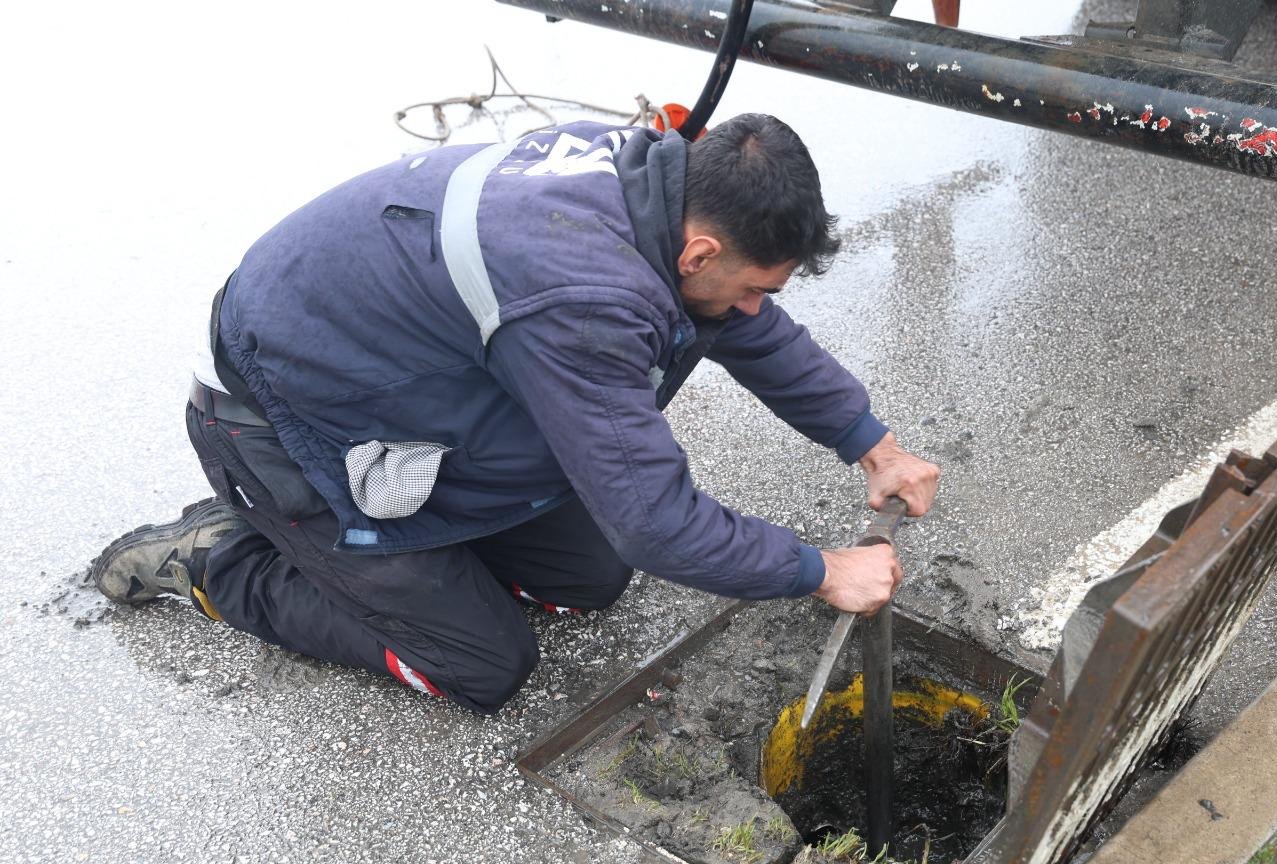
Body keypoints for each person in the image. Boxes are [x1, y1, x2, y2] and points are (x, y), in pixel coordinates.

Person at [92, 113, 939, 715]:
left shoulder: (654, 179)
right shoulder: (581, 296)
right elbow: (655, 524)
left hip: (397, 386)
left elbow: (738, 325)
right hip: (285, 427)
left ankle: (408, 562)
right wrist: (819, 570)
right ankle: (226, 557)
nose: (759, 309)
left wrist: (872, 444)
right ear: (701, 250)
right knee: (483, 665)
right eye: (757, 286)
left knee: (592, 580)